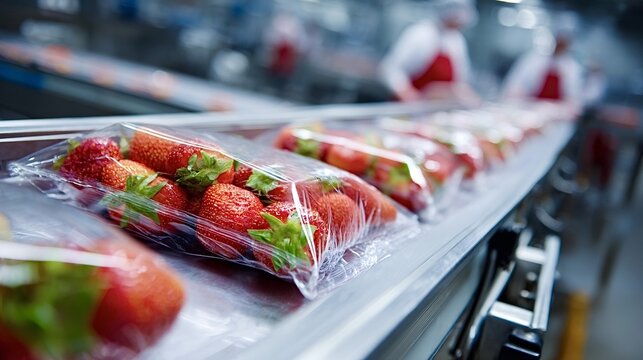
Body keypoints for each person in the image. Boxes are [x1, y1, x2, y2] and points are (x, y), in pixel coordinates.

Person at [379, 0, 479, 103]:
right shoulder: (421, 33)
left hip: (435, 111)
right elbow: (391, 69)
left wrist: (468, 96)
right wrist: (408, 94)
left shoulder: (457, 40)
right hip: (407, 108)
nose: (459, 25)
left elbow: (460, 81)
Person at [502, 12, 584, 104]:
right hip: (529, 109)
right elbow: (513, 85)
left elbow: (575, 100)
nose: (561, 43)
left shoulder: (573, 68)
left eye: (565, 40)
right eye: (560, 38)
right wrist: (516, 93)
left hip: (556, 114)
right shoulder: (532, 59)